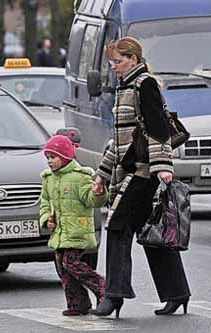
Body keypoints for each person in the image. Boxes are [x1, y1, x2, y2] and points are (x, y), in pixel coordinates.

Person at [91, 37, 191, 318]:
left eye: (118, 61)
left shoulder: (144, 84)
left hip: (143, 173)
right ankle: (177, 293)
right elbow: (119, 141)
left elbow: (158, 128)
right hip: (131, 172)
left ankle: (114, 296)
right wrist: (102, 174)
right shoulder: (126, 86)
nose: (114, 67)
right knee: (153, 234)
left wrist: (162, 166)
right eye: (112, 62)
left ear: (133, 59)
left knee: (117, 228)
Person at [39, 135, 108, 316]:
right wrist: (47, 219)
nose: (49, 162)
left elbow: (92, 200)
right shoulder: (48, 179)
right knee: (62, 268)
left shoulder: (80, 177)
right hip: (60, 233)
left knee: (71, 263)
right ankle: (78, 304)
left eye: (53, 157)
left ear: (65, 157)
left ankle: (102, 288)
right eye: (47, 158)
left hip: (77, 230)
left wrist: (99, 192)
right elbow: (45, 202)